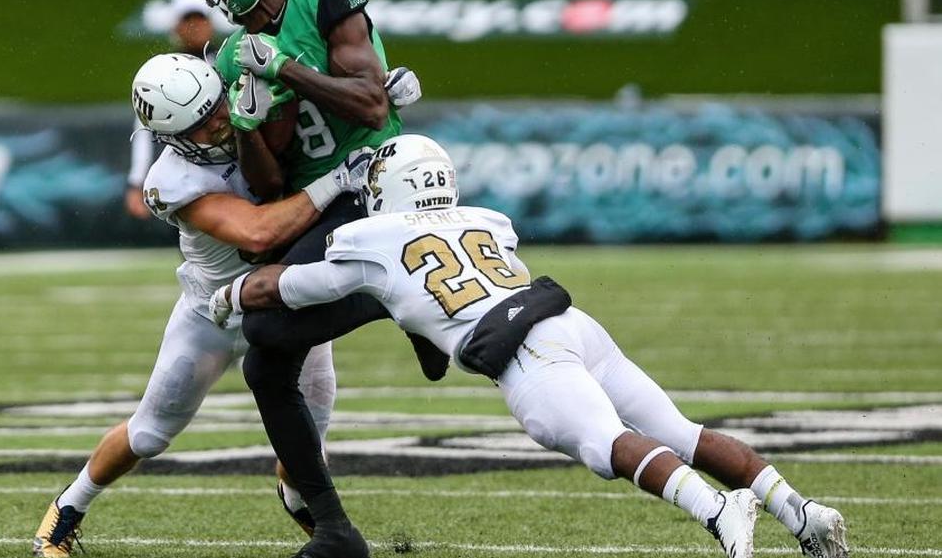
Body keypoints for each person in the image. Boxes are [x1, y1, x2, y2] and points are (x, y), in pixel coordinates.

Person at [210, 134, 851, 558]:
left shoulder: (371, 240)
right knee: (682, 432)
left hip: (524, 353)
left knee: (605, 444)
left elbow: (291, 286)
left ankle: (715, 510)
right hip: (571, 322)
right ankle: (802, 513)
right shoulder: (487, 220)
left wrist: (233, 294)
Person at [31, 53, 370, 557]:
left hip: (287, 300)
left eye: (216, 108)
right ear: (170, 136)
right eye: (201, 123)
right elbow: (257, 234)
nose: (219, 123)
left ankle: (303, 501)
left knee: (306, 442)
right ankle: (66, 509)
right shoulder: (172, 180)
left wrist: (379, 92)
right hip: (214, 313)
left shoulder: (249, 107)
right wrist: (337, 180)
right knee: (150, 433)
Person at [191, 0, 434, 556]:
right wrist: (247, 124)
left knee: (268, 334)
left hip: (378, 181)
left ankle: (404, 298)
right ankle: (333, 528)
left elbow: (371, 107)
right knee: (264, 357)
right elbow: (270, 182)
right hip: (318, 203)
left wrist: (283, 68)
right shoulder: (231, 56)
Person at [125, 0, 227, 220]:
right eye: (187, 20)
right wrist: (136, 181)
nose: (195, 26)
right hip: (189, 174)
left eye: (200, 19)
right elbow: (144, 129)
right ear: (175, 27)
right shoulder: (163, 73)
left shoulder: (229, 58)